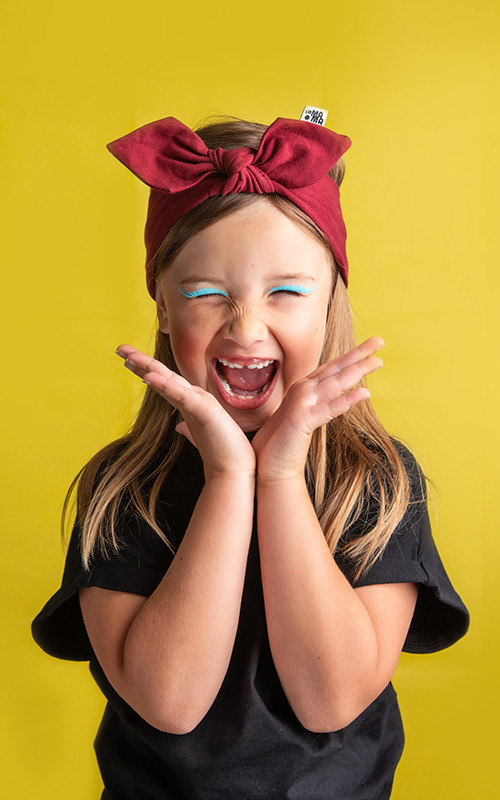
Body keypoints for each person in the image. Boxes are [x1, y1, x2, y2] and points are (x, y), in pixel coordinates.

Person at [32, 114, 469, 800]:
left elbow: (331, 700)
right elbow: (168, 702)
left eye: (286, 293)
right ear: (163, 310)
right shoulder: (122, 487)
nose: (246, 326)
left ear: (330, 307)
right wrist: (230, 477)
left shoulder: (376, 479)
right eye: (206, 294)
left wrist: (282, 475)